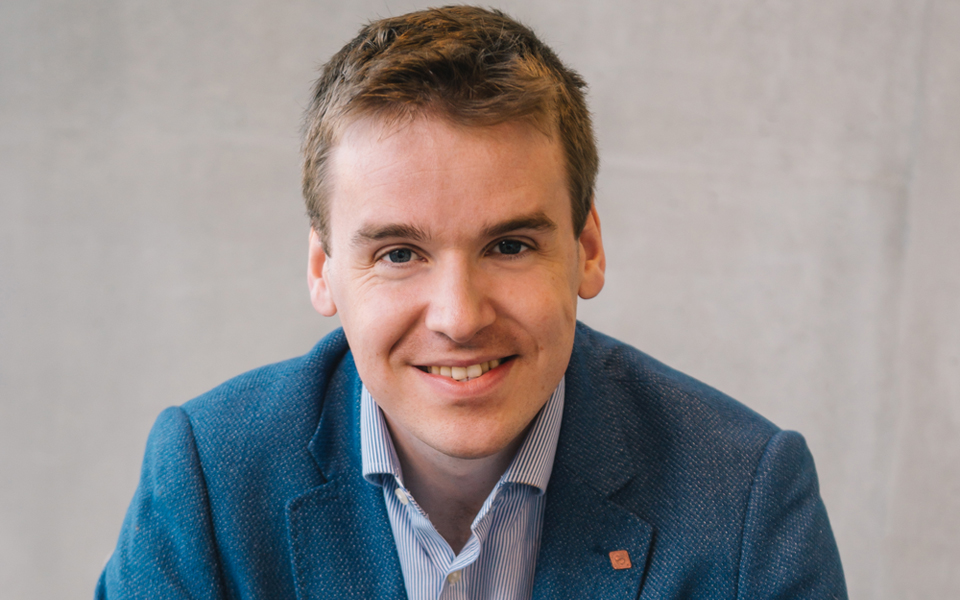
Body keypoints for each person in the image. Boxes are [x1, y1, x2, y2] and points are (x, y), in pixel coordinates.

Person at [96, 6, 847, 599]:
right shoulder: (209, 479)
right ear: (323, 270)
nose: (459, 317)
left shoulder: (744, 499)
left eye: (509, 246)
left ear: (587, 250)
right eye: (399, 254)